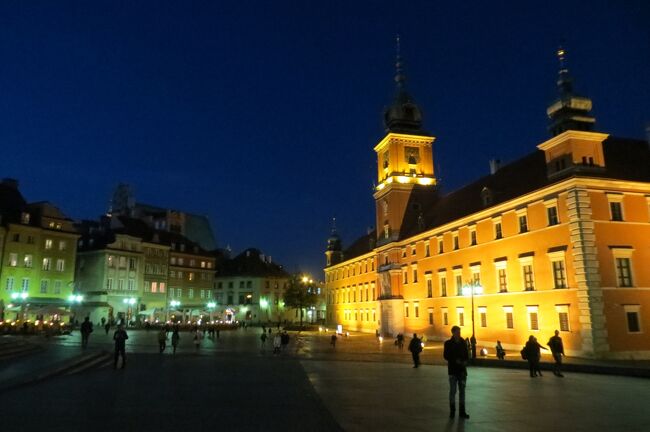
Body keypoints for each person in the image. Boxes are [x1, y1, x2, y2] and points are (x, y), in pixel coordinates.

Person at [443, 326, 470, 420]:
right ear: (453, 333)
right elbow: (446, 356)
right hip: (453, 371)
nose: (459, 333)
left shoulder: (463, 342)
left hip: (462, 371)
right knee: (453, 391)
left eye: (460, 332)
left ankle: (462, 412)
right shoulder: (448, 343)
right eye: (457, 332)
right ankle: (452, 411)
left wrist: (465, 361)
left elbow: (467, 354)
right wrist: (455, 360)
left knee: (462, 392)